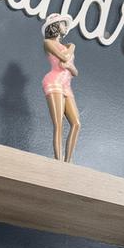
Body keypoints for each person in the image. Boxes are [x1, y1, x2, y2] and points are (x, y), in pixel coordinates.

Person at [42, 16, 82, 161]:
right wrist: (72, 47)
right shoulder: (48, 43)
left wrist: (70, 66)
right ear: (55, 26)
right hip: (54, 81)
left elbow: (75, 72)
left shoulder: (66, 46)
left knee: (76, 123)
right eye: (63, 24)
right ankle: (58, 160)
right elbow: (64, 59)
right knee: (59, 123)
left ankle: (68, 161)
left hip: (67, 85)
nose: (65, 26)